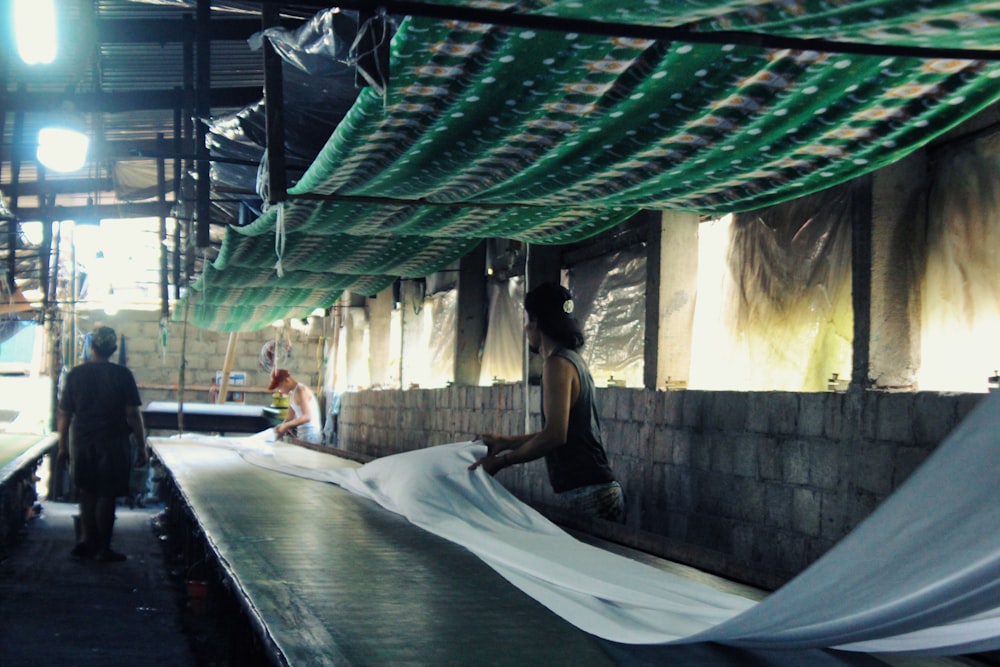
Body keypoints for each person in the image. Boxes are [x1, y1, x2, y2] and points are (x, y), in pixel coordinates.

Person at [469, 282, 625, 523]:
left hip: (588, 493)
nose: (525, 328)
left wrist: (501, 462)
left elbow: (554, 436)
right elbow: (562, 432)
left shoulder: (556, 365)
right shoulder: (572, 360)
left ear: (538, 323)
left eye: (528, 321)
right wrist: (505, 442)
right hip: (594, 490)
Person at [57, 325, 149, 561]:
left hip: (83, 442)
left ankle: (87, 540)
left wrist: (62, 446)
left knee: (87, 491)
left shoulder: (76, 375)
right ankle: (104, 547)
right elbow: (132, 414)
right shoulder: (122, 375)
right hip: (114, 442)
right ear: (114, 349)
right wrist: (141, 445)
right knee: (107, 494)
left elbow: (65, 414)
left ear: (92, 347)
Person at [269, 368, 322, 444]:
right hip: (302, 433)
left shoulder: (301, 390)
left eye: (280, 387)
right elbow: (289, 418)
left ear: (287, 380)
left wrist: (286, 425)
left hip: (311, 434)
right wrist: (280, 427)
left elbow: (307, 416)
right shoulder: (291, 394)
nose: (280, 391)